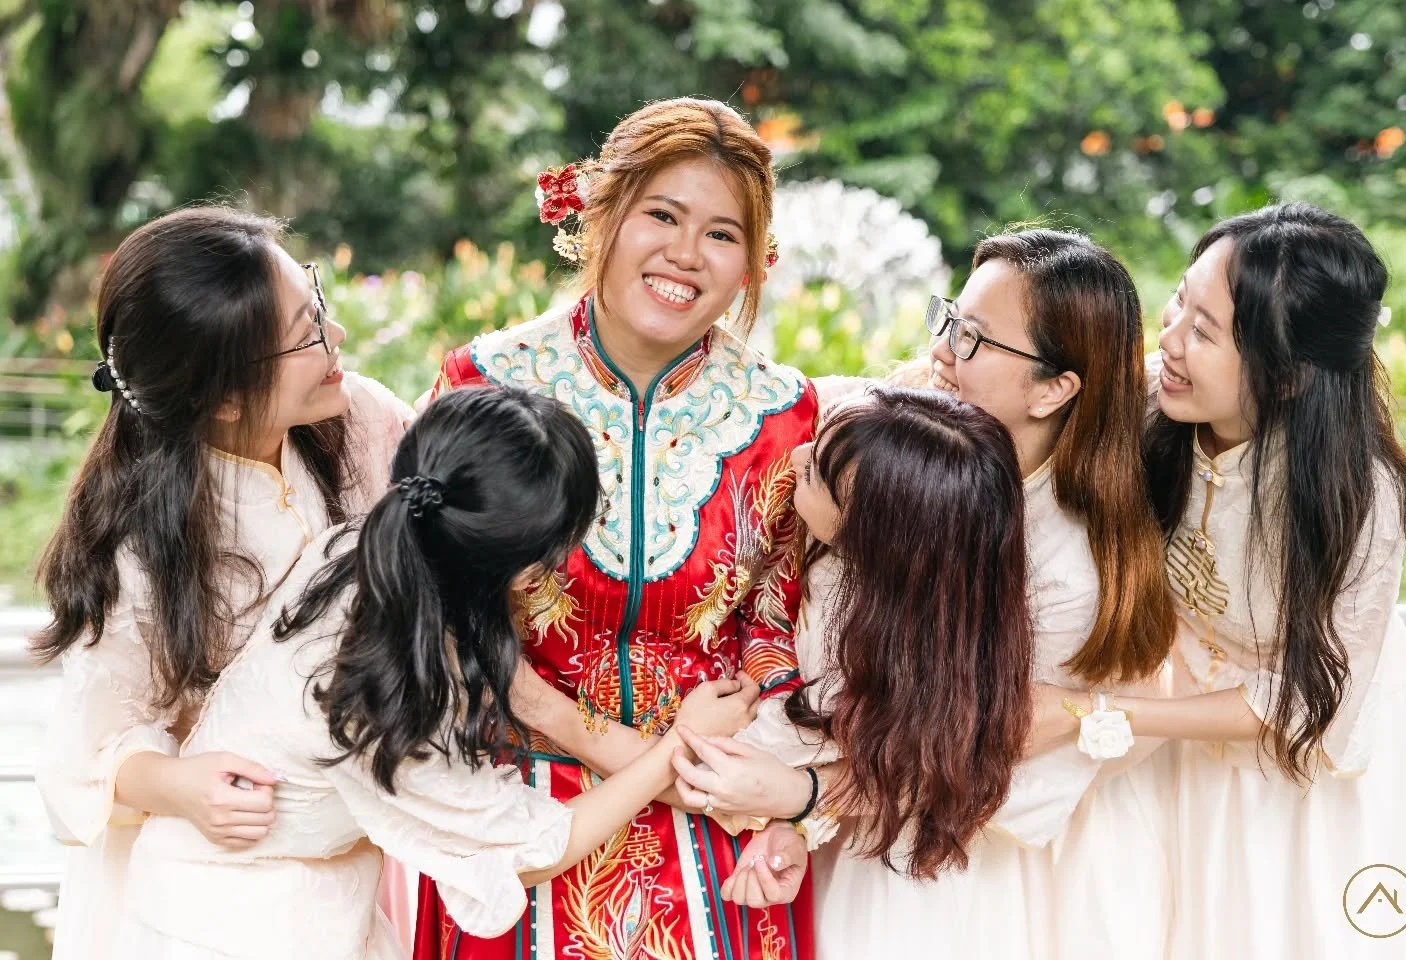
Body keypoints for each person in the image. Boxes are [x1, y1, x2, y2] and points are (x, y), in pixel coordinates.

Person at [113, 385, 756, 959]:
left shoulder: (360, 550)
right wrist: (676, 745)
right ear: (524, 570)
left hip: (262, 897)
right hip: (235, 926)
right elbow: (526, 855)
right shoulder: (393, 685)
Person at [682, 229, 1178, 957]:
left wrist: (803, 800)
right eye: (949, 319)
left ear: (1054, 388)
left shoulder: (1066, 570)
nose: (943, 350)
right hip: (834, 820)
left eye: (973, 338)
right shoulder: (880, 434)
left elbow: (963, 763)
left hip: (955, 863)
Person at [412, 97, 820, 960]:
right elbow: (439, 615)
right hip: (519, 820)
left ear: (754, 260)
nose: (685, 254)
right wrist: (594, 734)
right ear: (598, 215)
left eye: (721, 233)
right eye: (661, 215)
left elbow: (777, 627)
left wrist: (779, 805)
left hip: (716, 830)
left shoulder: (785, 415)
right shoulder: (484, 382)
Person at [30, 206, 412, 957]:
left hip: (351, 861)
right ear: (225, 396)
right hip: (208, 893)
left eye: (318, 304)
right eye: (306, 334)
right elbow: (85, 755)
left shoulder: (365, 421)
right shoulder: (140, 545)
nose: (336, 336)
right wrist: (181, 786)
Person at [1142, 203, 1406, 957]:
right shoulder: (1155, 409)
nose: (1167, 339)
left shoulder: (1357, 495)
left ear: (1289, 376)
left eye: (1204, 331)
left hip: (1319, 761)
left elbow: (1307, 699)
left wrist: (1109, 715)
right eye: (1179, 300)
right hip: (1183, 732)